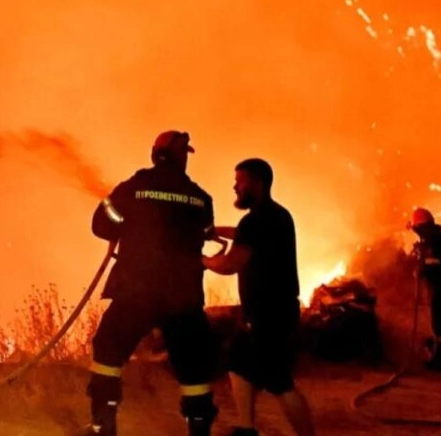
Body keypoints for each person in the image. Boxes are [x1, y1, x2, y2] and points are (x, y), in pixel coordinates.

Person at [84, 130, 220, 436]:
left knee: (107, 352)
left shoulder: (134, 187)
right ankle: (199, 431)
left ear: (154, 153)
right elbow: (207, 232)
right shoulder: (200, 198)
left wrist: (128, 225)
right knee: (194, 369)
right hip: (182, 298)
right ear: (182, 157)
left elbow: (101, 224)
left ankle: (102, 427)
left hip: (136, 291)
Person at [202, 158, 314, 436]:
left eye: (240, 182)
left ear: (257, 183)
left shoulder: (256, 221)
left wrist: (200, 259)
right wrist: (213, 231)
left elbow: (231, 264)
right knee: (238, 361)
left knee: (279, 382)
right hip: (275, 312)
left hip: (269, 317)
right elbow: (244, 235)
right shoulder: (277, 215)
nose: (235, 187)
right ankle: (245, 427)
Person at [408, 207, 441, 372]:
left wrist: (422, 270)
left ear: (422, 227)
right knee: (440, 322)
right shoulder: (432, 239)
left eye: (417, 229)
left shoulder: (436, 240)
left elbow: (435, 262)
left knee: (439, 322)